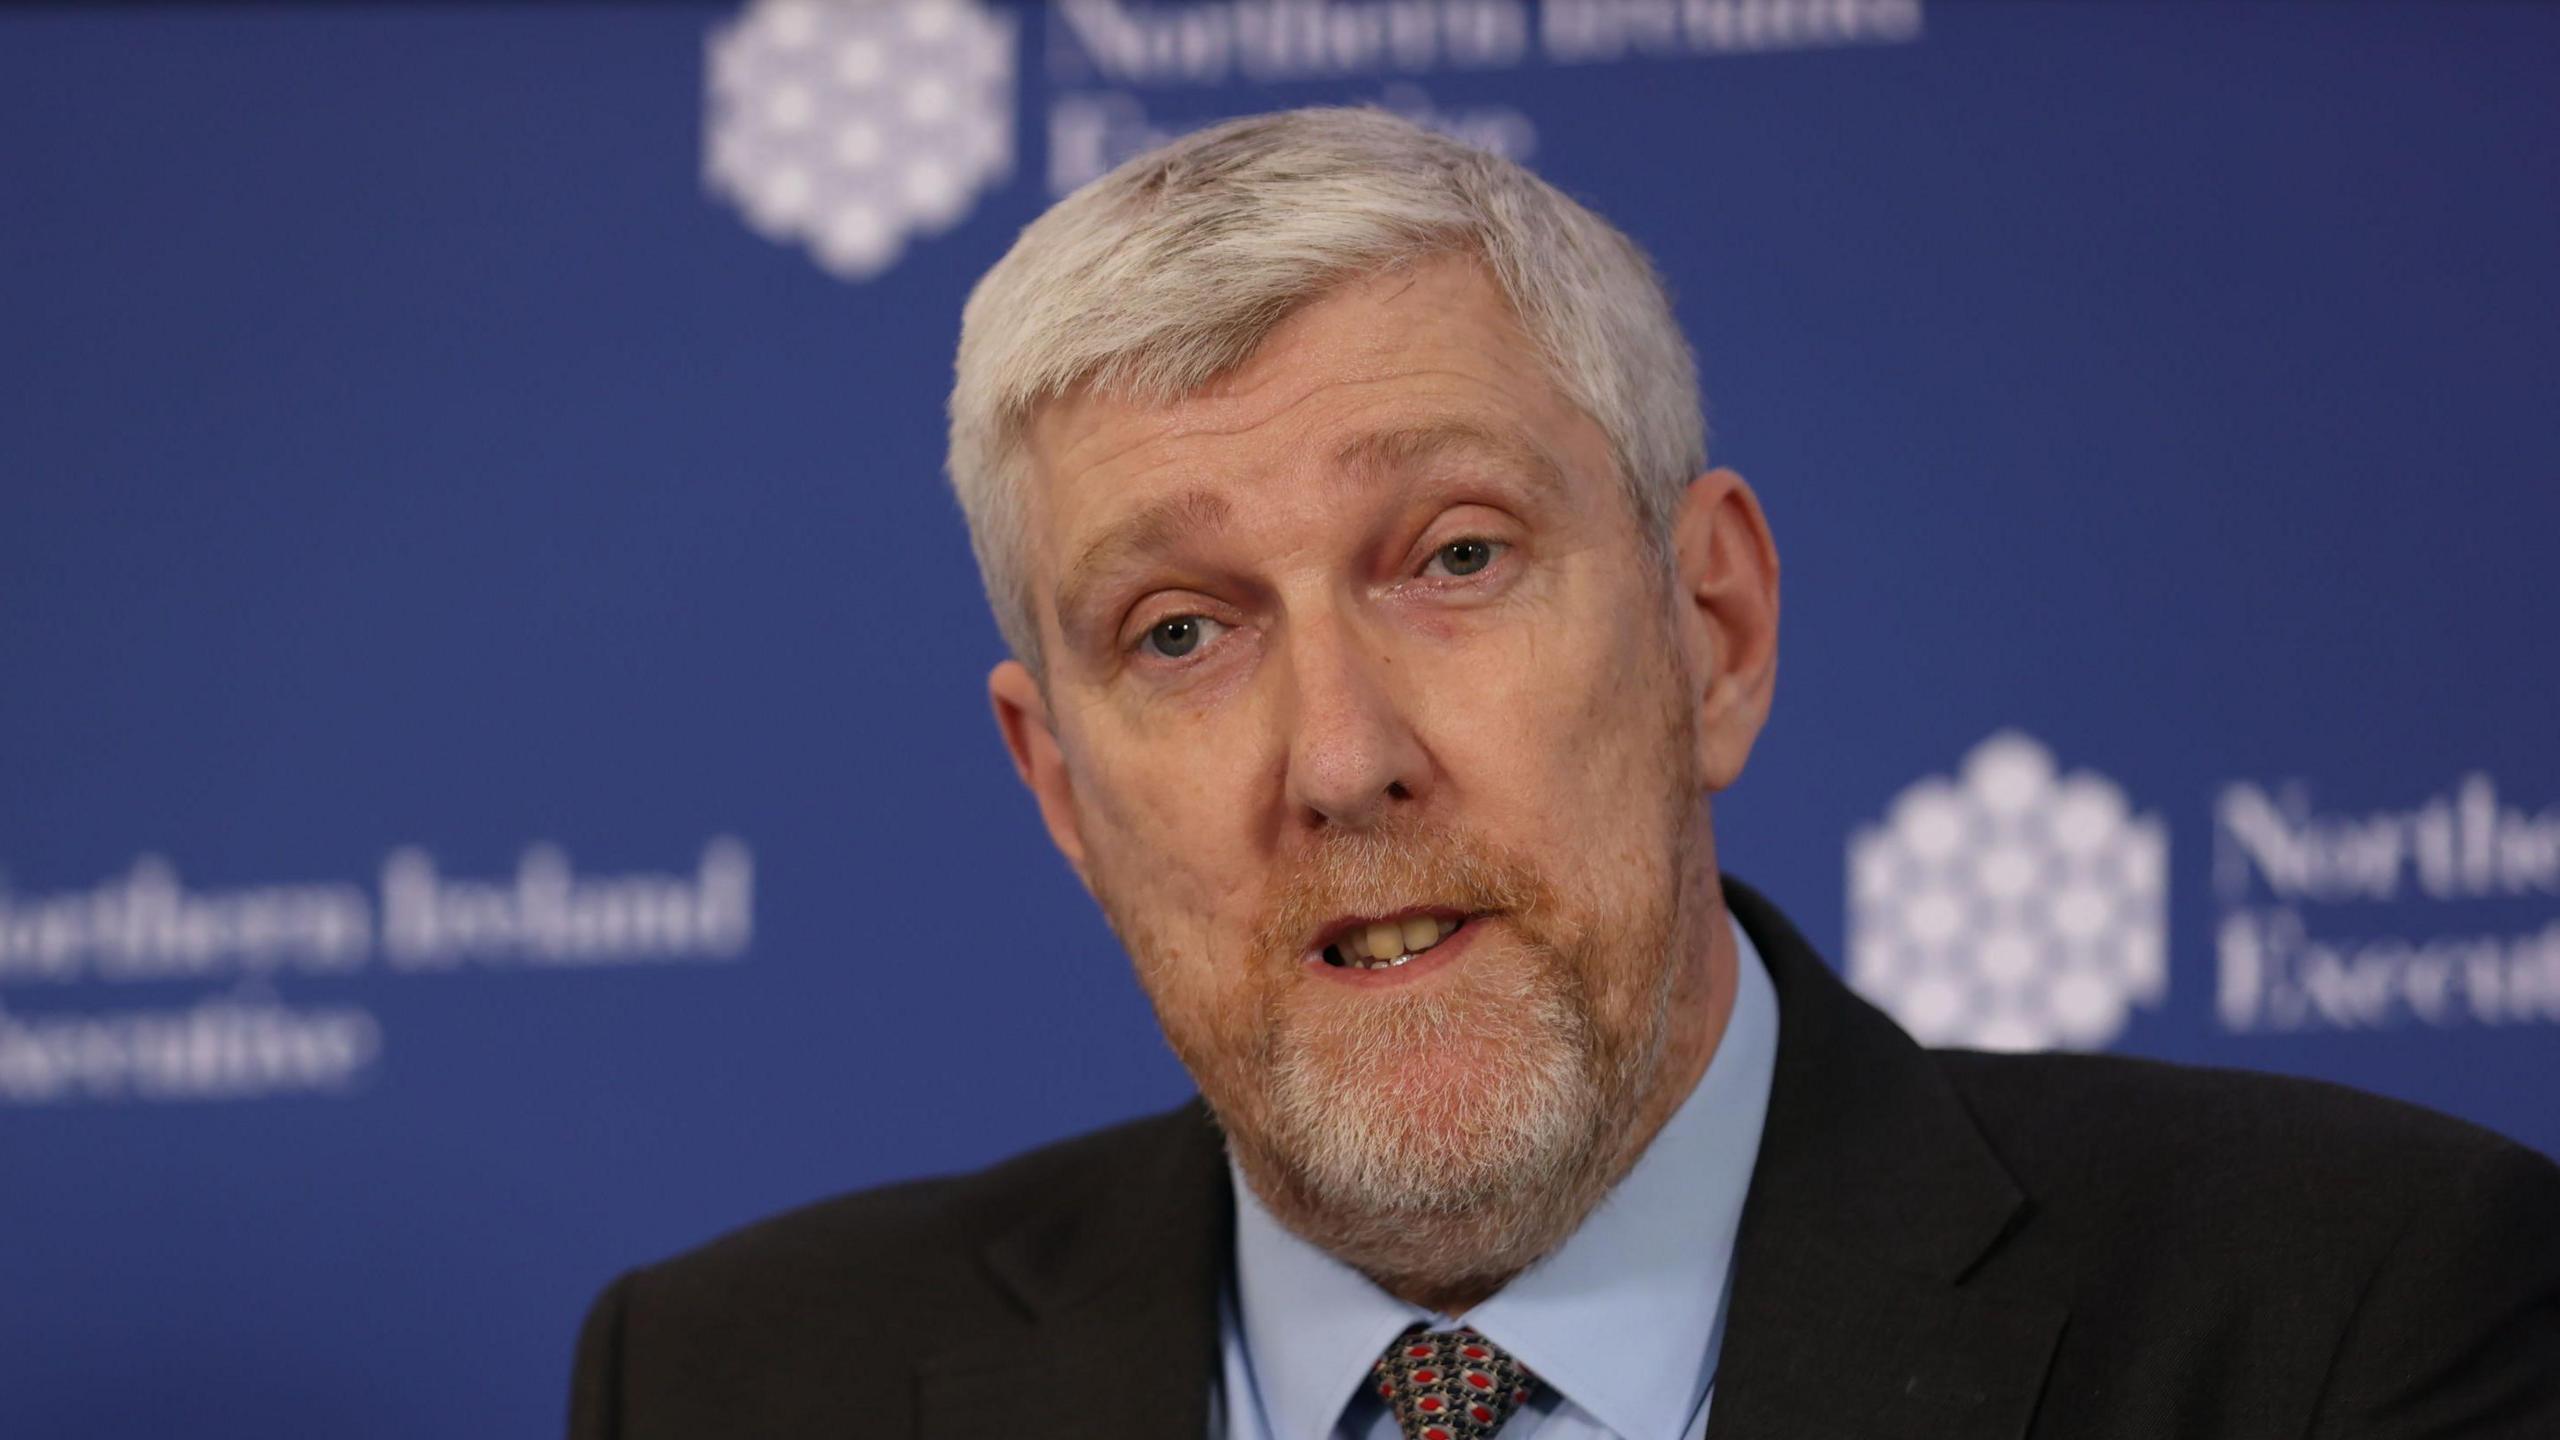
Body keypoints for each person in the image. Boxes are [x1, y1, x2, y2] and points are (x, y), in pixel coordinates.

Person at [568, 108, 2560, 1440]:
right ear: (1063, 793)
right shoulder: (730, 1385)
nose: (1341, 761)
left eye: (1451, 559)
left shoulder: (2347, 1320)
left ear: (1709, 631)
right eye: (1178, 630)